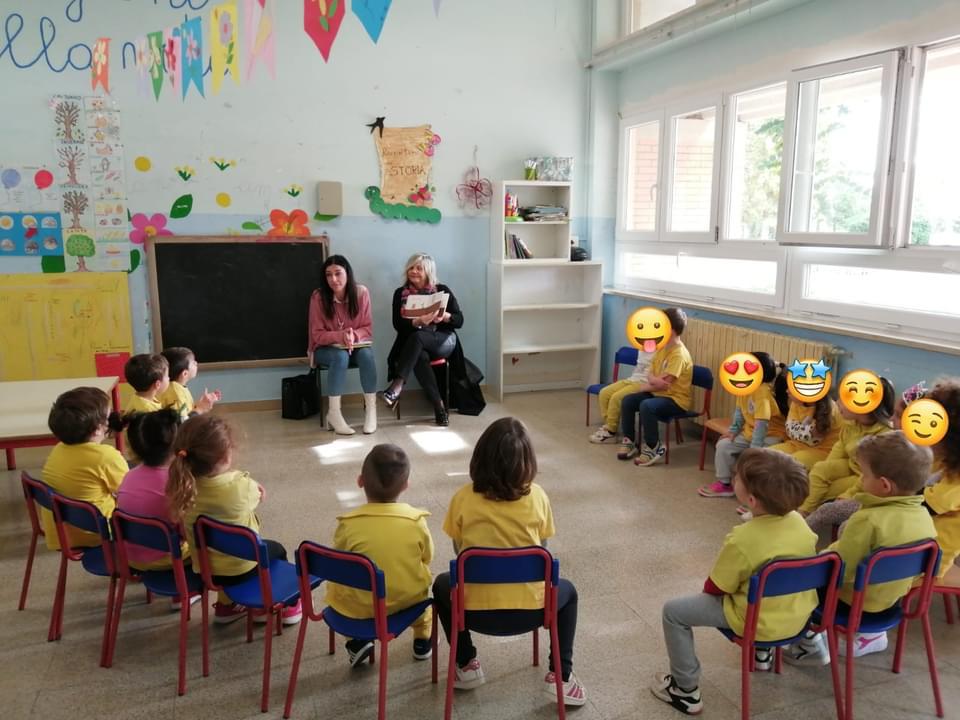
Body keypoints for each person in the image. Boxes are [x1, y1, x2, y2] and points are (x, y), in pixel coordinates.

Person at [432, 417, 587, 706]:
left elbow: (459, 551)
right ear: (528, 462)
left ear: (479, 458)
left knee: (442, 584)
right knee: (569, 592)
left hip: (473, 612)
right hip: (533, 611)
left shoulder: (462, 498)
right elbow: (542, 549)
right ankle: (561, 676)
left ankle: (466, 663)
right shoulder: (538, 496)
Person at [651, 449, 815, 715]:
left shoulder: (743, 538)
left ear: (752, 500)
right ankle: (762, 654)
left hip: (755, 622)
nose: (734, 478)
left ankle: (685, 689)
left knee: (673, 612)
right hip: (797, 617)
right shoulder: (801, 523)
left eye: (737, 477)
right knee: (767, 589)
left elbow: (715, 588)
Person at [785, 431, 935, 664]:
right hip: (891, 604)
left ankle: (809, 643)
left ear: (884, 485)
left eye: (864, 475)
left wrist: (814, 558)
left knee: (792, 583)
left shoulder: (866, 520)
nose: (861, 480)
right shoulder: (924, 518)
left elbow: (839, 568)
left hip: (850, 604)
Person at [166, 414, 300, 625]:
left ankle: (227, 605)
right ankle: (279, 606)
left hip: (206, 571)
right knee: (276, 550)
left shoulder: (184, 487)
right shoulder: (241, 487)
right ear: (225, 456)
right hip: (243, 569)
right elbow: (260, 494)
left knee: (223, 548)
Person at [326, 444, 434, 666]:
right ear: (405, 485)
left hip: (360, 608)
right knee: (422, 599)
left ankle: (357, 641)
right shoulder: (416, 521)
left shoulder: (348, 525)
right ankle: (422, 640)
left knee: (344, 590)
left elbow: (339, 564)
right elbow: (427, 557)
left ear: (360, 481)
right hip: (407, 603)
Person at [116, 409, 200, 611]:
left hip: (131, 558)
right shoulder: (178, 483)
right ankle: (183, 592)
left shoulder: (128, 476)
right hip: (170, 560)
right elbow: (188, 533)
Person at [384, 253, 468, 426]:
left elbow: (460, 320)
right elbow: (397, 324)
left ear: (428, 271)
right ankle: (439, 408)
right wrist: (417, 321)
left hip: (443, 340)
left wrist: (445, 316)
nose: (413, 271)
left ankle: (397, 385)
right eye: (411, 268)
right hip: (417, 344)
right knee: (419, 352)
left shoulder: (442, 290)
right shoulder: (400, 294)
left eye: (419, 268)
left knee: (417, 338)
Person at [40, 386, 128, 550]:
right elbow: (129, 493)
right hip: (99, 534)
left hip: (62, 534)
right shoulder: (106, 456)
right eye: (108, 416)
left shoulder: (59, 449)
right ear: (97, 429)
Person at [798, 376, 894, 520]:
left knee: (824, 491)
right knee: (819, 470)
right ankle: (804, 511)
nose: (837, 403)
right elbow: (839, 448)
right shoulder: (851, 424)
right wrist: (827, 469)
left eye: (843, 400)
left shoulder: (884, 434)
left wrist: (849, 494)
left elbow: (872, 473)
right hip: (850, 467)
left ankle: (806, 516)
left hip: (866, 478)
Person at [699, 352, 787, 498]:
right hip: (750, 432)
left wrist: (755, 448)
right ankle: (725, 485)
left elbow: (762, 423)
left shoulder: (762, 392)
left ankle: (757, 496)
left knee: (757, 460)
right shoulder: (744, 387)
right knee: (724, 445)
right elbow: (740, 412)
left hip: (770, 435)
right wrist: (733, 431)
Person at [307, 254, 377, 436]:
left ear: (347, 273)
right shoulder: (318, 297)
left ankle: (371, 411)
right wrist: (340, 336)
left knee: (367, 354)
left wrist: (353, 335)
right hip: (324, 349)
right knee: (340, 356)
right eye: (328, 275)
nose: (333, 279)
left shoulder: (361, 293)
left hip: (354, 347)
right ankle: (334, 413)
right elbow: (317, 335)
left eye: (338, 273)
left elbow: (367, 328)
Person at [616, 307, 694, 466]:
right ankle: (630, 440)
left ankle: (653, 446)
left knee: (647, 405)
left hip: (676, 400)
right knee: (628, 401)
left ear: (670, 330)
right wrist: (652, 380)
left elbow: (664, 385)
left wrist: (644, 387)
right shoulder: (662, 348)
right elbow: (651, 374)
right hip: (659, 394)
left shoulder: (679, 354)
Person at [920, 378, 960, 578]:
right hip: (915, 538)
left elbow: (925, 505)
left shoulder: (956, 479)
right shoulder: (943, 458)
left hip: (929, 558)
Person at [588, 347, 653, 444]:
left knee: (616, 398)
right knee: (604, 393)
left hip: (644, 383)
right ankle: (609, 426)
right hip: (632, 379)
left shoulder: (662, 349)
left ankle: (610, 430)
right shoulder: (642, 347)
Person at [122, 353, 170, 463]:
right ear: (157, 384)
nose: (169, 379)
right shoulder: (148, 411)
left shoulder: (138, 398)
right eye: (168, 376)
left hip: (137, 455)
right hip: (145, 460)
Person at [159, 346, 221, 422]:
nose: (196, 363)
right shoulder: (176, 394)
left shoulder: (176, 387)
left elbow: (186, 411)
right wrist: (200, 409)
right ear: (185, 373)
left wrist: (200, 404)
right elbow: (182, 424)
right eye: (193, 362)